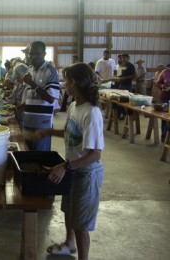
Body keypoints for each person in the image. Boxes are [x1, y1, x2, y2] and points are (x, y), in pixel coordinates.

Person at [25, 62, 104, 260]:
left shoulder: (91, 112)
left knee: (81, 224)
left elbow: (95, 154)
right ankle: (69, 244)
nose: (63, 84)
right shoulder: (73, 106)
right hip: (72, 168)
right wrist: (49, 131)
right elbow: (72, 133)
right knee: (68, 209)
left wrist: (65, 166)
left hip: (86, 172)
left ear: (74, 83)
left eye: (66, 81)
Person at [21, 41, 60, 151]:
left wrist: (32, 83)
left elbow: (50, 98)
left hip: (42, 123)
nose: (32, 57)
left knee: (40, 156)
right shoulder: (30, 70)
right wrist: (20, 107)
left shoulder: (50, 71)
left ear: (44, 54)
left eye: (36, 54)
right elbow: (31, 97)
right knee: (27, 152)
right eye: (30, 53)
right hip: (28, 120)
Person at [7, 63, 28, 130]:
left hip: (22, 113)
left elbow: (26, 103)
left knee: (20, 130)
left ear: (24, 74)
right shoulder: (18, 82)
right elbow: (14, 95)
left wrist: (15, 106)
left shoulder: (28, 85)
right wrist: (10, 99)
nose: (16, 76)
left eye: (18, 74)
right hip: (16, 111)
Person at [114, 54, 136, 120]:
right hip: (121, 84)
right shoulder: (123, 65)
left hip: (127, 85)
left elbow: (134, 75)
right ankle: (122, 114)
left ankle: (130, 115)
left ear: (128, 58)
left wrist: (125, 78)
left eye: (124, 58)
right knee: (119, 100)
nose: (123, 59)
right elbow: (123, 74)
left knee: (128, 101)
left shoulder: (131, 65)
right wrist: (119, 77)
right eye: (122, 58)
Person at [156, 66, 170, 143]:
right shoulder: (165, 72)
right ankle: (164, 136)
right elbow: (158, 83)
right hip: (165, 97)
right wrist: (162, 86)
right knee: (164, 117)